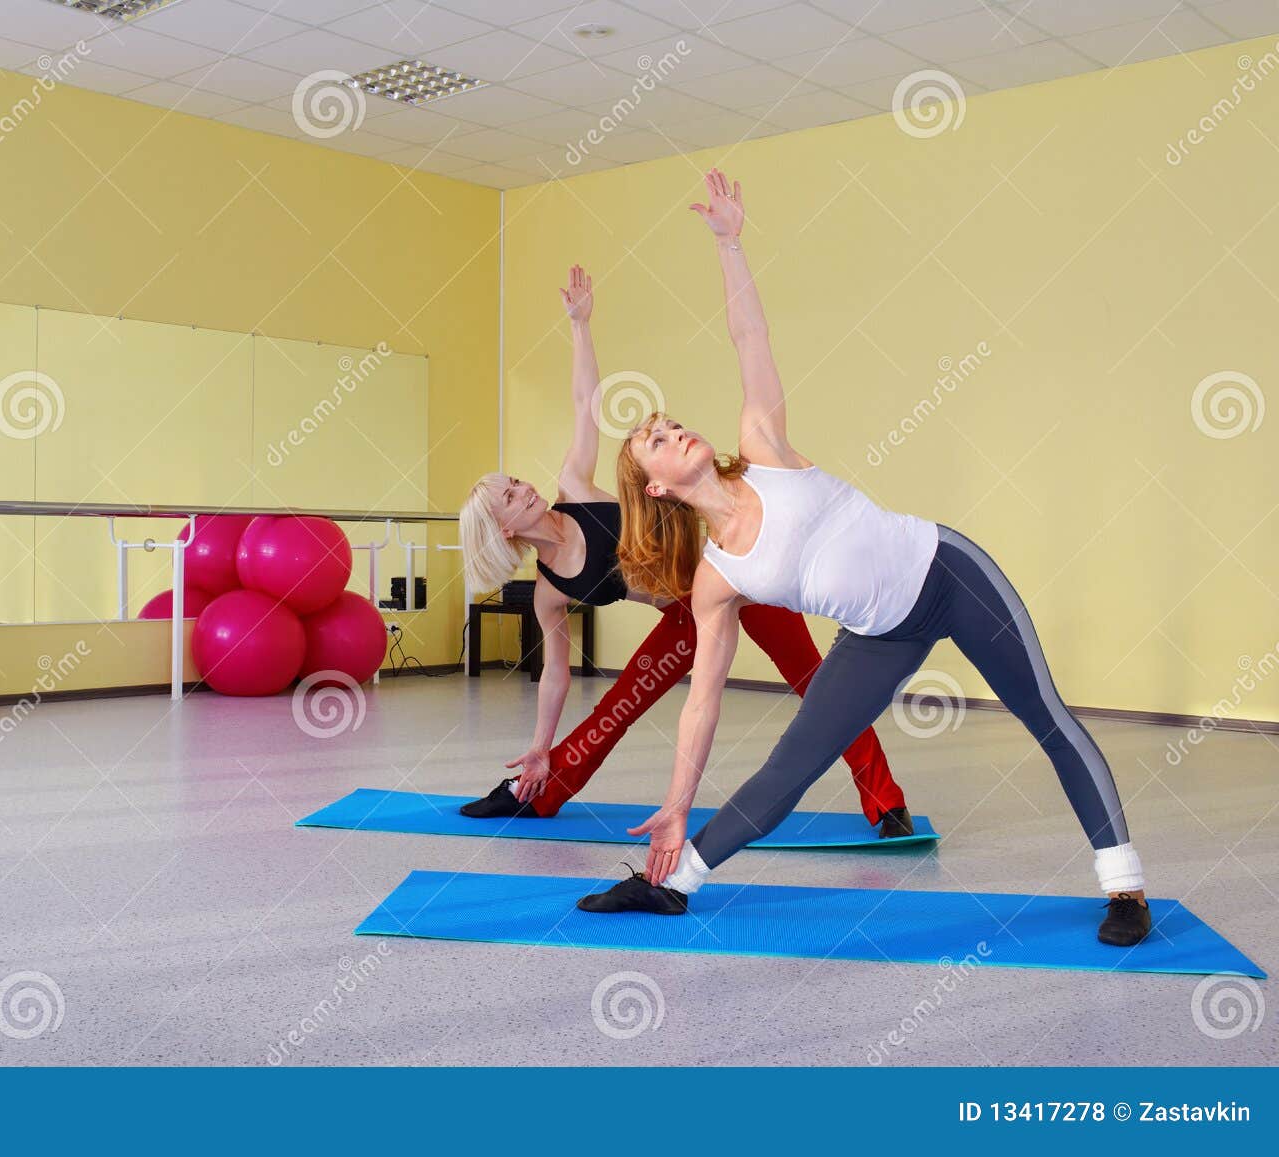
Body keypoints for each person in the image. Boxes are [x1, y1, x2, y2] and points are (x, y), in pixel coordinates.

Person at [576, 169, 1150, 948]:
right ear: (654, 484)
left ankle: (1125, 886)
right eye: (656, 437)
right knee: (791, 763)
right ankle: (671, 882)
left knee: (1044, 715)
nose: (674, 429)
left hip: (948, 572)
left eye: (672, 421)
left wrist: (729, 243)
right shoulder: (718, 579)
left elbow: (751, 337)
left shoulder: (762, 445)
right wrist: (677, 801)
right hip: (877, 634)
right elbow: (702, 702)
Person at [458, 264, 913, 837]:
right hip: (686, 612)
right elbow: (554, 678)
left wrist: (579, 326)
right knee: (616, 706)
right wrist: (538, 745)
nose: (521, 488)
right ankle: (536, 792)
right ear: (502, 530)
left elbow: (582, 403)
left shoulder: (574, 488)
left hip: (742, 571)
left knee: (817, 687)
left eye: (515, 482)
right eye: (508, 496)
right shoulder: (550, 592)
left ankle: (886, 803)